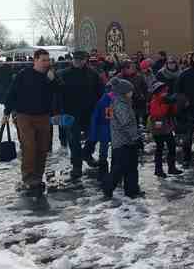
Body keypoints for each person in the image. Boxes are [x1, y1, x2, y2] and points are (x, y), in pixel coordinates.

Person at [2, 49, 59, 194]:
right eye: (43, 60)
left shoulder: (50, 76)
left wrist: (53, 81)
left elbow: (59, 92)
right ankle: (28, 177)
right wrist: (6, 112)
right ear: (35, 60)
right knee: (29, 146)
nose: (47, 63)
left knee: (42, 147)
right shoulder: (24, 75)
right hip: (24, 115)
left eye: (48, 60)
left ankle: (37, 176)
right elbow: (12, 93)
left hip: (44, 116)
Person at [56, 51, 104, 179]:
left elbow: (100, 92)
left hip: (89, 112)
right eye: (76, 59)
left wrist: (100, 109)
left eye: (81, 59)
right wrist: (60, 111)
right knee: (73, 140)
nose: (78, 61)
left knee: (93, 136)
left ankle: (87, 154)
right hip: (71, 113)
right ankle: (76, 165)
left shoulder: (93, 74)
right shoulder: (63, 74)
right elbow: (57, 93)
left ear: (85, 60)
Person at [102, 77, 144, 199]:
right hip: (123, 142)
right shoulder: (120, 104)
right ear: (124, 92)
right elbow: (126, 123)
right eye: (131, 91)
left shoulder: (122, 102)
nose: (132, 93)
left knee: (131, 166)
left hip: (125, 141)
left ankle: (132, 190)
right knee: (120, 168)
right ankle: (108, 187)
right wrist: (136, 138)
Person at [148, 81, 183, 177]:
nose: (165, 93)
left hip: (167, 127)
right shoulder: (155, 101)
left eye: (166, 91)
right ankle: (158, 170)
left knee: (171, 146)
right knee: (160, 148)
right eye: (163, 91)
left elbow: (174, 111)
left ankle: (171, 168)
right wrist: (167, 104)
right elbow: (158, 113)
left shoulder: (166, 99)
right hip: (158, 128)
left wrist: (174, 104)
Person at [87, 85, 114, 179]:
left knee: (104, 145)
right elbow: (108, 116)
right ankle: (103, 167)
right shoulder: (107, 101)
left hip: (104, 126)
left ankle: (103, 164)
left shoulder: (105, 98)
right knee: (105, 145)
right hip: (105, 127)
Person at [117, 60, 148, 127]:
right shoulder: (119, 78)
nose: (134, 69)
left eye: (134, 67)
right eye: (132, 67)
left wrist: (145, 98)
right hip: (124, 104)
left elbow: (145, 89)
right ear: (125, 68)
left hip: (137, 102)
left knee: (136, 120)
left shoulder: (139, 77)